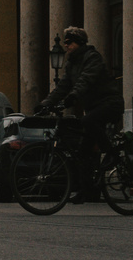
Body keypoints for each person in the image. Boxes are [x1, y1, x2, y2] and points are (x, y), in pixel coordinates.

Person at [39, 26, 122, 167]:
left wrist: (72, 97)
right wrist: (45, 103)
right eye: (65, 43)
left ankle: (112, 154)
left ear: (79, 43)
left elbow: (86, 80)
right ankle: (88, 188)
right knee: (83, 153)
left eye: (70, 42)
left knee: (87, 121)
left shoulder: (92, 57)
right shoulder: (71, 64)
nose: (66, 45)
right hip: (93, 107)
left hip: (109, 103)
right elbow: (62, 87)